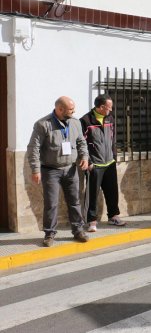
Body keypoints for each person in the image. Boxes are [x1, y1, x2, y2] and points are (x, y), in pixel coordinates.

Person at [27, 96, 90, 247]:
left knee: (75, 201)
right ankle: (49, 234)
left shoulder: (75, 123)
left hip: (71, 170)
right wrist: (36, 169)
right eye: (70, 110)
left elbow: (81, 142)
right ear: (59, 109)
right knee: (51, 204)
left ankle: (78, 230)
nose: (74, 112)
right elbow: (33, 148)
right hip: (50, 171)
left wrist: (85, 157)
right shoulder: (43, 124)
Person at [80, 94, 125, 232]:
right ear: (101, 107)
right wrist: (89, 161)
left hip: (109, 162)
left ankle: (113, 216)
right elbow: (81, 143)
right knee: (92, 194)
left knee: (112, 192)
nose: (110, 110)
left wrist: (114, 156)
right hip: (95, 165)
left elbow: (113, 138)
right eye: (109, 107)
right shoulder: (86, 121)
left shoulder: (110, 118)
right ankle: (91, 221)